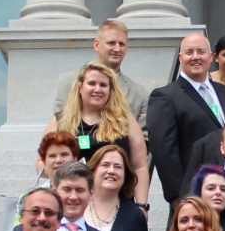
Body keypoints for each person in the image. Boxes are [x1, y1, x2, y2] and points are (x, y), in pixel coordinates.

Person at [147, 31, 225, 207]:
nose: (195, 57)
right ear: (180, 57)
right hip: (192, 194)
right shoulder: (165, 96)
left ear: (211, 56)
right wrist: (179, 196)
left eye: (201, 51)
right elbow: (163, 150)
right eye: (189, 52)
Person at [57, 58, 153, 201]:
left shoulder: (125, 119)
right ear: (80, 87)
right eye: (91, 83)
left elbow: (139, 166)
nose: (97, 89)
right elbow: (42, 162)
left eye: (103, 85)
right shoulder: (63, 119)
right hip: (76, 203)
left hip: (119, 201)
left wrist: (142, 205)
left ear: (110, 90)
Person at [50, 19, 145, 118]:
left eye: (121, 44)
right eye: (111, 43)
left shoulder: (140, 94)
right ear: (96, 45)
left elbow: (142, 133)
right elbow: (59, 126)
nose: (117, 49)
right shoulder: (68, 81)